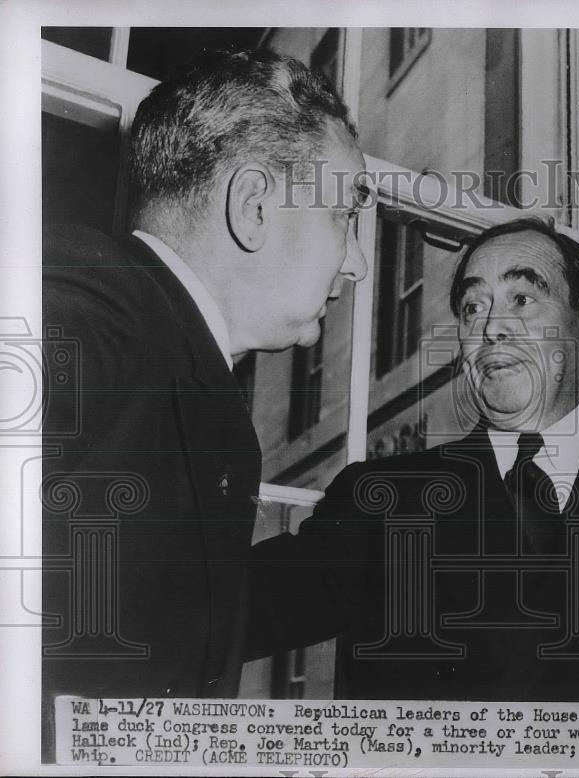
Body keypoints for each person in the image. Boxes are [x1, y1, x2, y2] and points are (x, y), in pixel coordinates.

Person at [251, 217, 579, 702]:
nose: (491, 327)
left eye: (521, 299)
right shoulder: (381, 500)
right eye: (472, 307)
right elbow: (224, 607)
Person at [41, 49, 367, 752]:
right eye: (344, 215)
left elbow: (151, 612)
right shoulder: (87, 308)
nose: (357, 263)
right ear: (253, 208)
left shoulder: (177, 361)